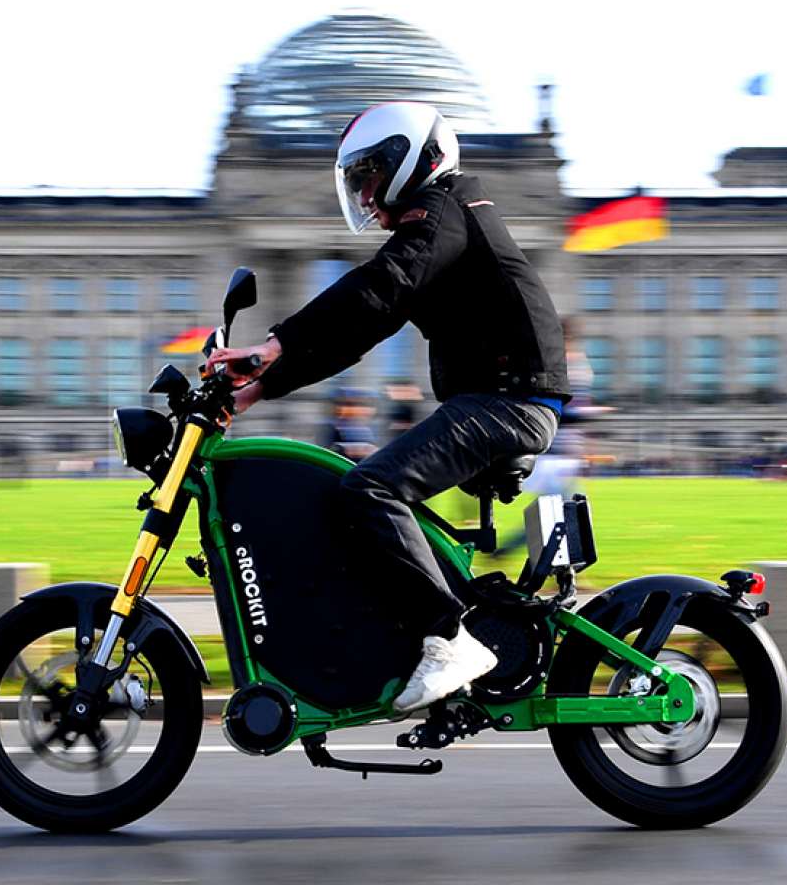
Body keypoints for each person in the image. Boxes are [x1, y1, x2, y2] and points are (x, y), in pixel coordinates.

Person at [207, 102, 569, 713]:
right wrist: (261, 385)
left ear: (411, 163)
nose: (366, 194)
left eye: (370, 176)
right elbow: (361, 329)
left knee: (368, 490)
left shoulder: (443, 212)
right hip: (494, 401)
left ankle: (451, 638)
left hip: (510, 403)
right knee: (355, 500)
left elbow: (381, 285)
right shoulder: (439, 226)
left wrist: (275, 345)